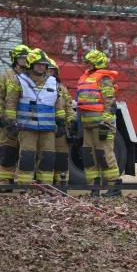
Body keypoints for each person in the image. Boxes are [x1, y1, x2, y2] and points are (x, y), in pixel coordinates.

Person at [5, 49, 58, 185]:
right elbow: (11, 102)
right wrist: (10, 122)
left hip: (48, 128)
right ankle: (25, 186)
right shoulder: (19, 80)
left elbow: (59, 104)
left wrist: (62, 122)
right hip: (27, 127)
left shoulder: (53, 81)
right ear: (30, 64)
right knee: (27, 157)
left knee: (48, 157)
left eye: (44, 64)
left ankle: (45, 187)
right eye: (38, 64)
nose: (41, 67)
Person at [76, 49, 121, 196]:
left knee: (104, 154)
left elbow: (110, 104)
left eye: (90, 62)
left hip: (101, 125)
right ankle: (93, 188)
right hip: (88, 125)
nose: (87, 64)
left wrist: (105, 124)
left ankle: (114, 187)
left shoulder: (104, 79)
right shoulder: (86, 78)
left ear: (97, 62)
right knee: (89, 155)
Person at [0, 43, 31, 191]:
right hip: (9, 121)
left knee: (26, 152)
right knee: (8, 150)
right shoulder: (5, 77)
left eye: (26, 58)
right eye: (20, 58)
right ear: (14, 59)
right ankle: (6, 182)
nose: (23, 61)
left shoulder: (32, 76)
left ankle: (24, 182)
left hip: (27, 121)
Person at [47, 57, 76, 188]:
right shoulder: (38, 87)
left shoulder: (62, 89)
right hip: (44, 128)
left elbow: (69, 108)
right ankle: (45, 184)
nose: (49, 73)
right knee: (44, 156)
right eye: (47, 70)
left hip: (60, 129)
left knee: (61, 156)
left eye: (52, 71)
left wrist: (72, 122)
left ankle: (61, 184)